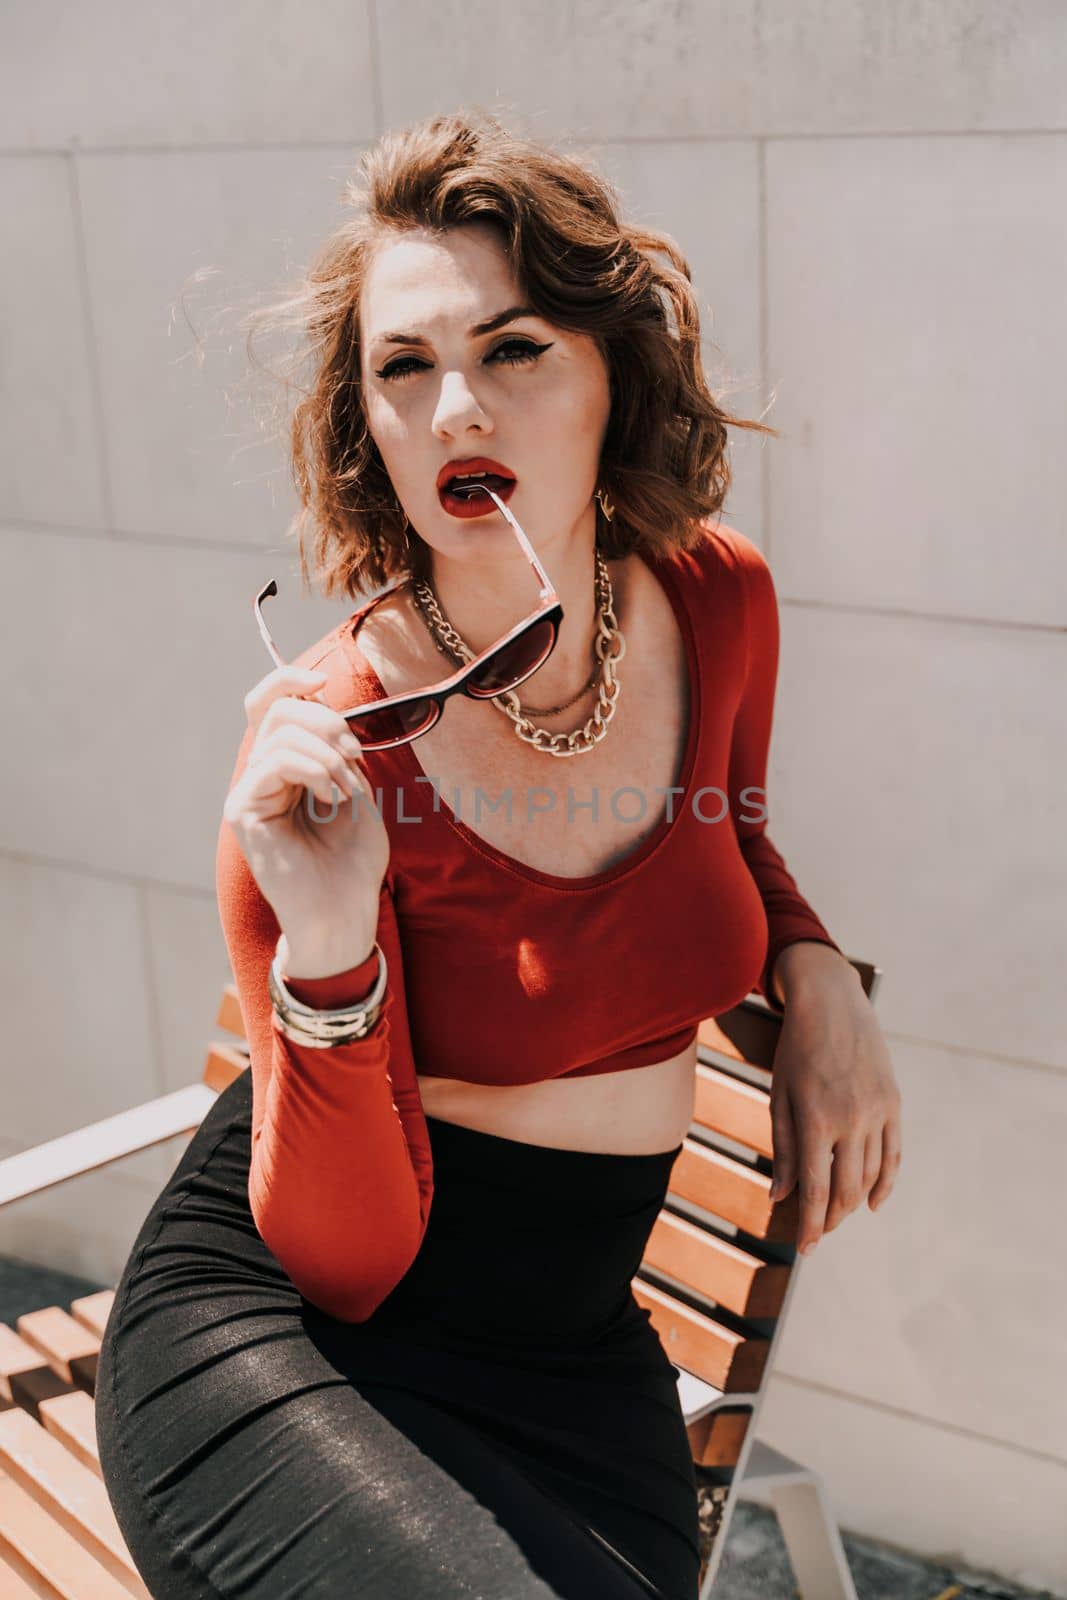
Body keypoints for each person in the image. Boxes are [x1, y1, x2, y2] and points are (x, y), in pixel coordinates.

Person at [95, 110, 900, 1600]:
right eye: (405, 368)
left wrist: (813, 971)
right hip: (296, 1340)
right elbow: (347, 1264)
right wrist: (330, 941)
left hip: (575, 1359)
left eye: (514, 348)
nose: (457, 401)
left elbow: (730, 827)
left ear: (614, 377)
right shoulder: (327, 757)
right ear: (369, 427)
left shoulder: (716, 601)